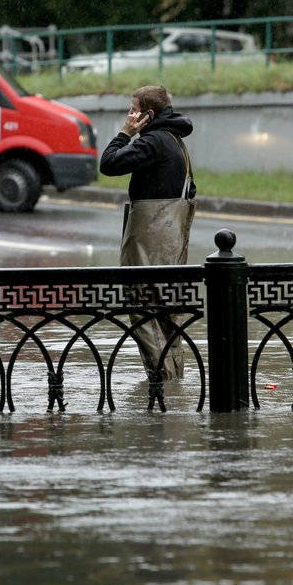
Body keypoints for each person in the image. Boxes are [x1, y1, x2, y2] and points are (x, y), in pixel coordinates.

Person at [99, 85, 196, 382]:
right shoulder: (174, 140)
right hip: (172, 238)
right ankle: (174, 381)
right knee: (168, 311)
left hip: (151, 237)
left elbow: (109, 163)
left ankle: (161, 384)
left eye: (133, 110)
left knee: (141, 305)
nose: (130, 115)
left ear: (147, 114)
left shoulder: (153, 142)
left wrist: (125, 133)